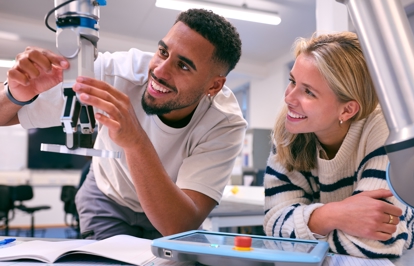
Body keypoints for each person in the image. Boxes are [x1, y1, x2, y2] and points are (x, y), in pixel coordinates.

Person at [0, 9, 247, 240]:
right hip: (107, 197)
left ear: (214, 86)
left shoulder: (225, 123)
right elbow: (5, 116)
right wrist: (16, 94)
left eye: (183, 65)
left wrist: (136, 141)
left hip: (170, 208)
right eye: (163, 52)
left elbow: (180, 225)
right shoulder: (117, 73)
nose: (160, 71)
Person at [263, 31, 414, 258]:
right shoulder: (289, 132)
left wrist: (306, 229)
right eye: (292, 81)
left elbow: (374, 244)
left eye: (308, 91)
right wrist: (331, 215)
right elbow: (273, 229)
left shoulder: (385, 129)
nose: (289, 98)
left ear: (347, 110)